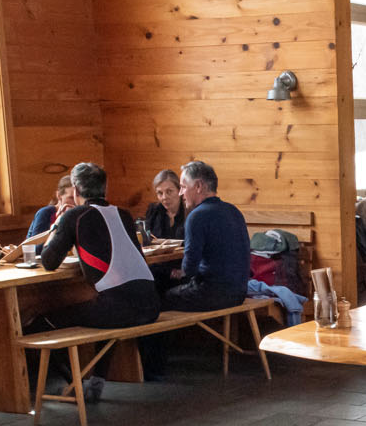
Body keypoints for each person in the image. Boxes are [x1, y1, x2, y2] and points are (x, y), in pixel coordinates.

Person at [25, 162, 160, 398]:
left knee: (36, 324)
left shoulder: (75, 216)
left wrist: (58, 224)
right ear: (105, 188)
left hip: (120, 310)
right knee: (105, 306)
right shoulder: (123, 214)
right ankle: (94, 383)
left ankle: (75, 387)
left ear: (75, 190)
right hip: (151, 304)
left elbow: (48, 261)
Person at [163, 160, 249, 313]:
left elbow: (189, 268)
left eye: (183, 187)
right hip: (239, 292)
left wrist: (177, 273)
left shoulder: (197, 216)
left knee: (163, 297)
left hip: (213, 294)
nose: (181, 193)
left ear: (198, 186)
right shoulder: (233, 211)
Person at [145, 169, 187, 242]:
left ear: (180, 190)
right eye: (160, 193)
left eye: (169, 191)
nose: (164, 197)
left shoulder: (190, 212)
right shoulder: (154, 211)